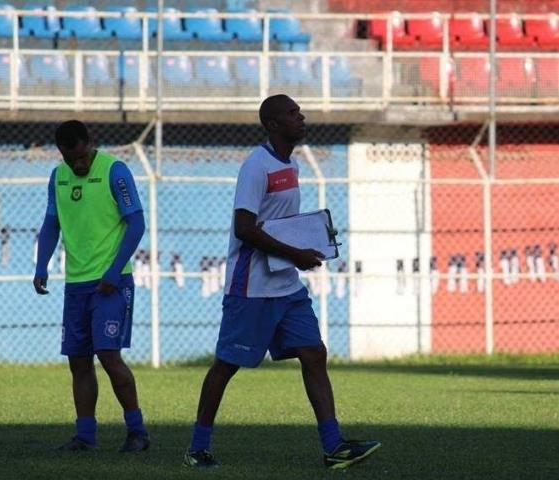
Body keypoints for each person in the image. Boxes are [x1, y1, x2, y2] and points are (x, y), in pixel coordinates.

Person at [183, 95, 381, 470]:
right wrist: (295, 253)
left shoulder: (290, 164)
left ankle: (333, 446)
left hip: (286, 286)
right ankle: (197, 447)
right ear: (272, 124)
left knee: (314, 353)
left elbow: (279, 224)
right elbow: (245, 228)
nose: (300, 117)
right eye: (292, 114)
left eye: (299, 112)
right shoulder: (255, 167)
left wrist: (314, 237)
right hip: (252, 287)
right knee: (226, 365)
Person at [33, 120, 149, 452]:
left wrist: (114, 270)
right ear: (62, 154)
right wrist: (42, 264)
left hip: (111, 283)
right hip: (76, 285)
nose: (78, 164)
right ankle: (85, 436)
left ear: (89, 143)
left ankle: (137, 432)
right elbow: (52, 222)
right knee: (78, 360)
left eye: (81, 156)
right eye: (71, 159)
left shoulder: (116, 171)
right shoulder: (58, 176)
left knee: (109, 355)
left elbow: (136, 222)